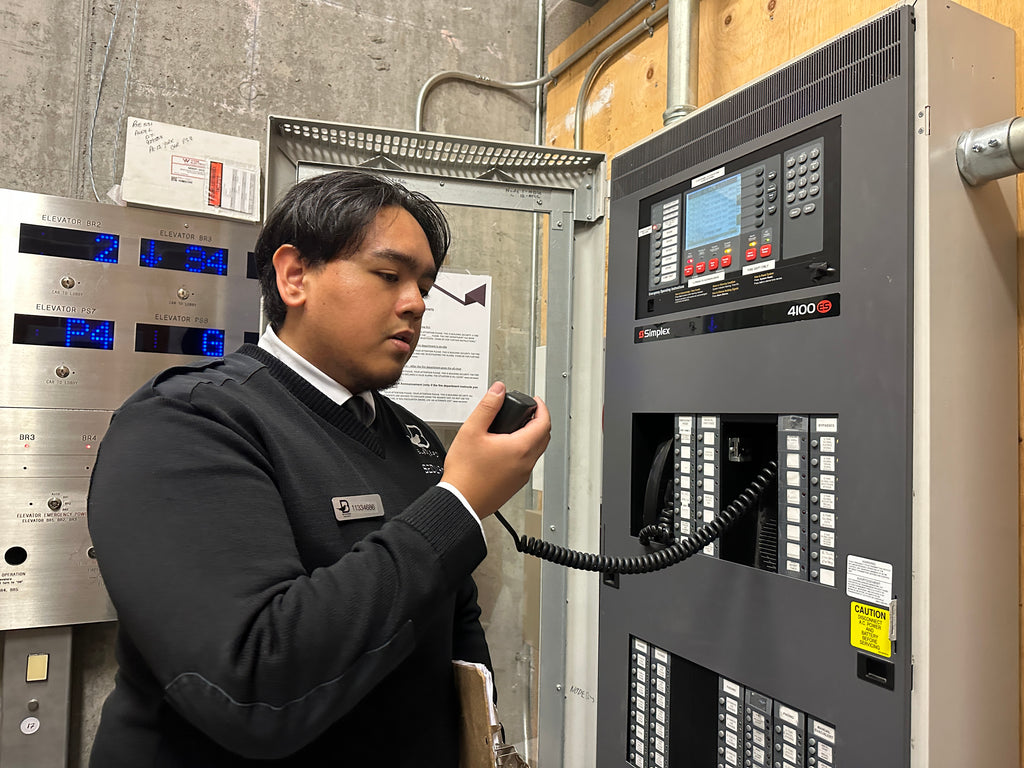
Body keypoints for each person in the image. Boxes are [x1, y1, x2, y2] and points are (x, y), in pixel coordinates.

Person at [86, 169, 551, 766]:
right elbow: (252, 686)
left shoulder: (411, 438)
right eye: (388, 275)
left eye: (425, 286)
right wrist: (456, 505)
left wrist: (487, 742)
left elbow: (452, 624)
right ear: (294, 276)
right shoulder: (188, 422)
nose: (416, 304)